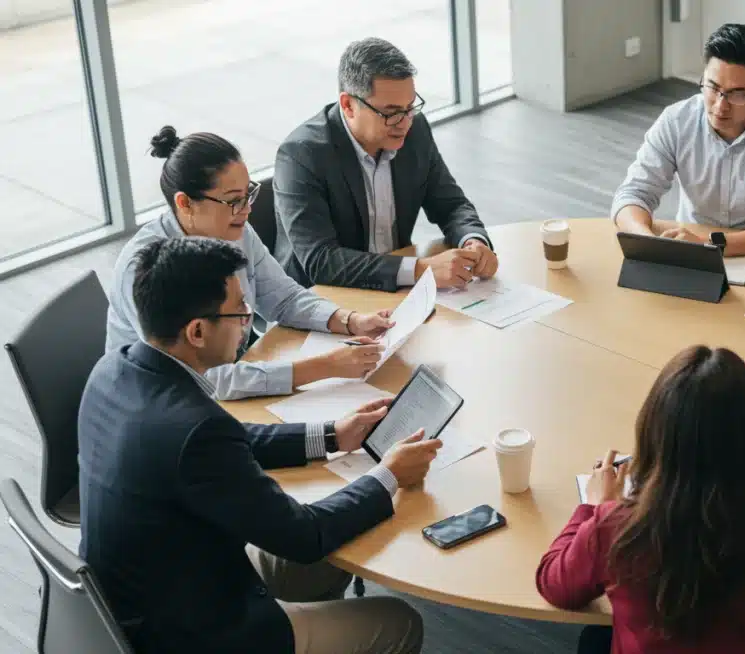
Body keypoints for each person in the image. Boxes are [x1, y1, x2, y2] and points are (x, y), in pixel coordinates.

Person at [80, 237, 442, 654]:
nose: (248, 321)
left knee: (333, 546)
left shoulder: (113, 370)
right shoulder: (196, 432)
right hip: (190, 635)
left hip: (151, 593)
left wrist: (332, 434)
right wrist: (388, 476)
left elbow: (234, 440)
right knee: (399, 623)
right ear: (197, 331)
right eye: (239, 312)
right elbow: (304, 536)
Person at [536, 346, 745, 654]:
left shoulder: (617, 527)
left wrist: (592, 508)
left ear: (653, 434)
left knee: (593, 639)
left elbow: (554, 586)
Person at [106, 126, 395, 401]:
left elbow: (284, 299)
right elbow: (207, 379)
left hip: (237, 369)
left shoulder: (234, 228)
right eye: (234, 200)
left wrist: (349, 320)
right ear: (185, 203)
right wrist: (324, 367)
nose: (247, 210)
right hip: (164, 403)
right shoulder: (146, 269)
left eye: (248, 195)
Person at [274, 36, 496, 291]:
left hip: (395, 288)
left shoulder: (415, 130)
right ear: (348, 105)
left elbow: (451, 205)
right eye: (390, 113)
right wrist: (420, 270)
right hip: (320, 301)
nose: (404, 122)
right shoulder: (301, 154)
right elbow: (321, 261)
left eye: (410, 107)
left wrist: (473, 241)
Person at [611, 24, 745, 256]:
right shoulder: (676, 120)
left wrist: (710, 244)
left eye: (737, 94)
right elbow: (633, 194)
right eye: (712, 87)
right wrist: (645, 240)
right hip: (690, 250)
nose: (720, 106)